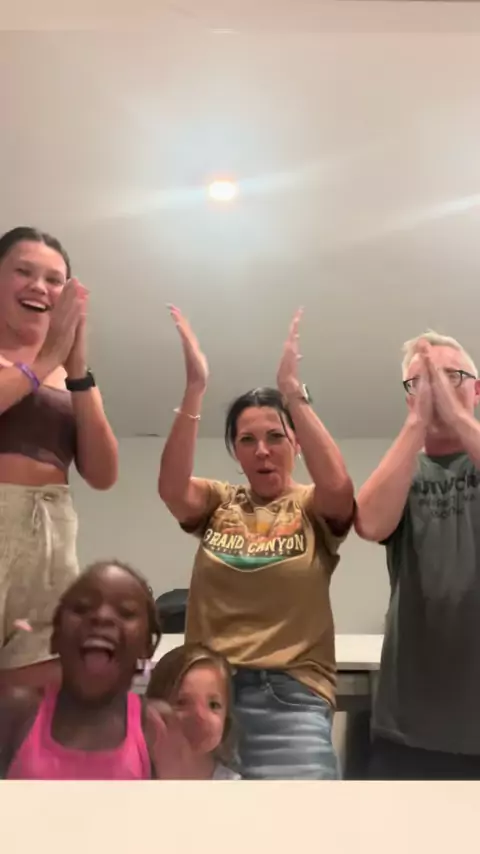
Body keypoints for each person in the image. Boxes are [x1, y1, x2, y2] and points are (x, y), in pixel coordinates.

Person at [158, 306, 354, 780]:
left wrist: (293, 393)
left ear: (296, 444)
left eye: (275, 437)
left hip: (289, 701)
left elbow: (340, 489)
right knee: (195, 824)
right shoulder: (220, 502)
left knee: (302, 823)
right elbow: (172, 488)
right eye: (247, 440)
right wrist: (194, 388)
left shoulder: (309, 506)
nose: (262, 450)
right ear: (236, 452)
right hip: (206, 699)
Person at [355, 330, 480, 780]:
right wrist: (416, 425)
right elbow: (369, 522)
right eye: (422, 382)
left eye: (452, 376)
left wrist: (457, 417)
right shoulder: (406, 468)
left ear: (477, 390)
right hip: (409, 726)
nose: (438, 388)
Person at [0, 226, 119, 691]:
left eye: (54, 280)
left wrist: (78, 371)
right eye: (23, 272)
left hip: (51, 533)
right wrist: (45, 359)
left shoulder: (69, 376)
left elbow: (103, 474)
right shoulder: (40, 361)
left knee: (37, 691)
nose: (39, 287)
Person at [0, 560, 198, 780]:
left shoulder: (156, 727)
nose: (101, 617)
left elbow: (183, 801)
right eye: (81, 608)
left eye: (126, 612)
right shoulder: (17, 713)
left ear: (147, 646)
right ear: (55, 637)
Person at [147, 643, 240, 780]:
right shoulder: (132, 779)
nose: (199, 717)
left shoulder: (232, 786)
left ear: (226, 718)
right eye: (182, 702)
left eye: (213, 705)